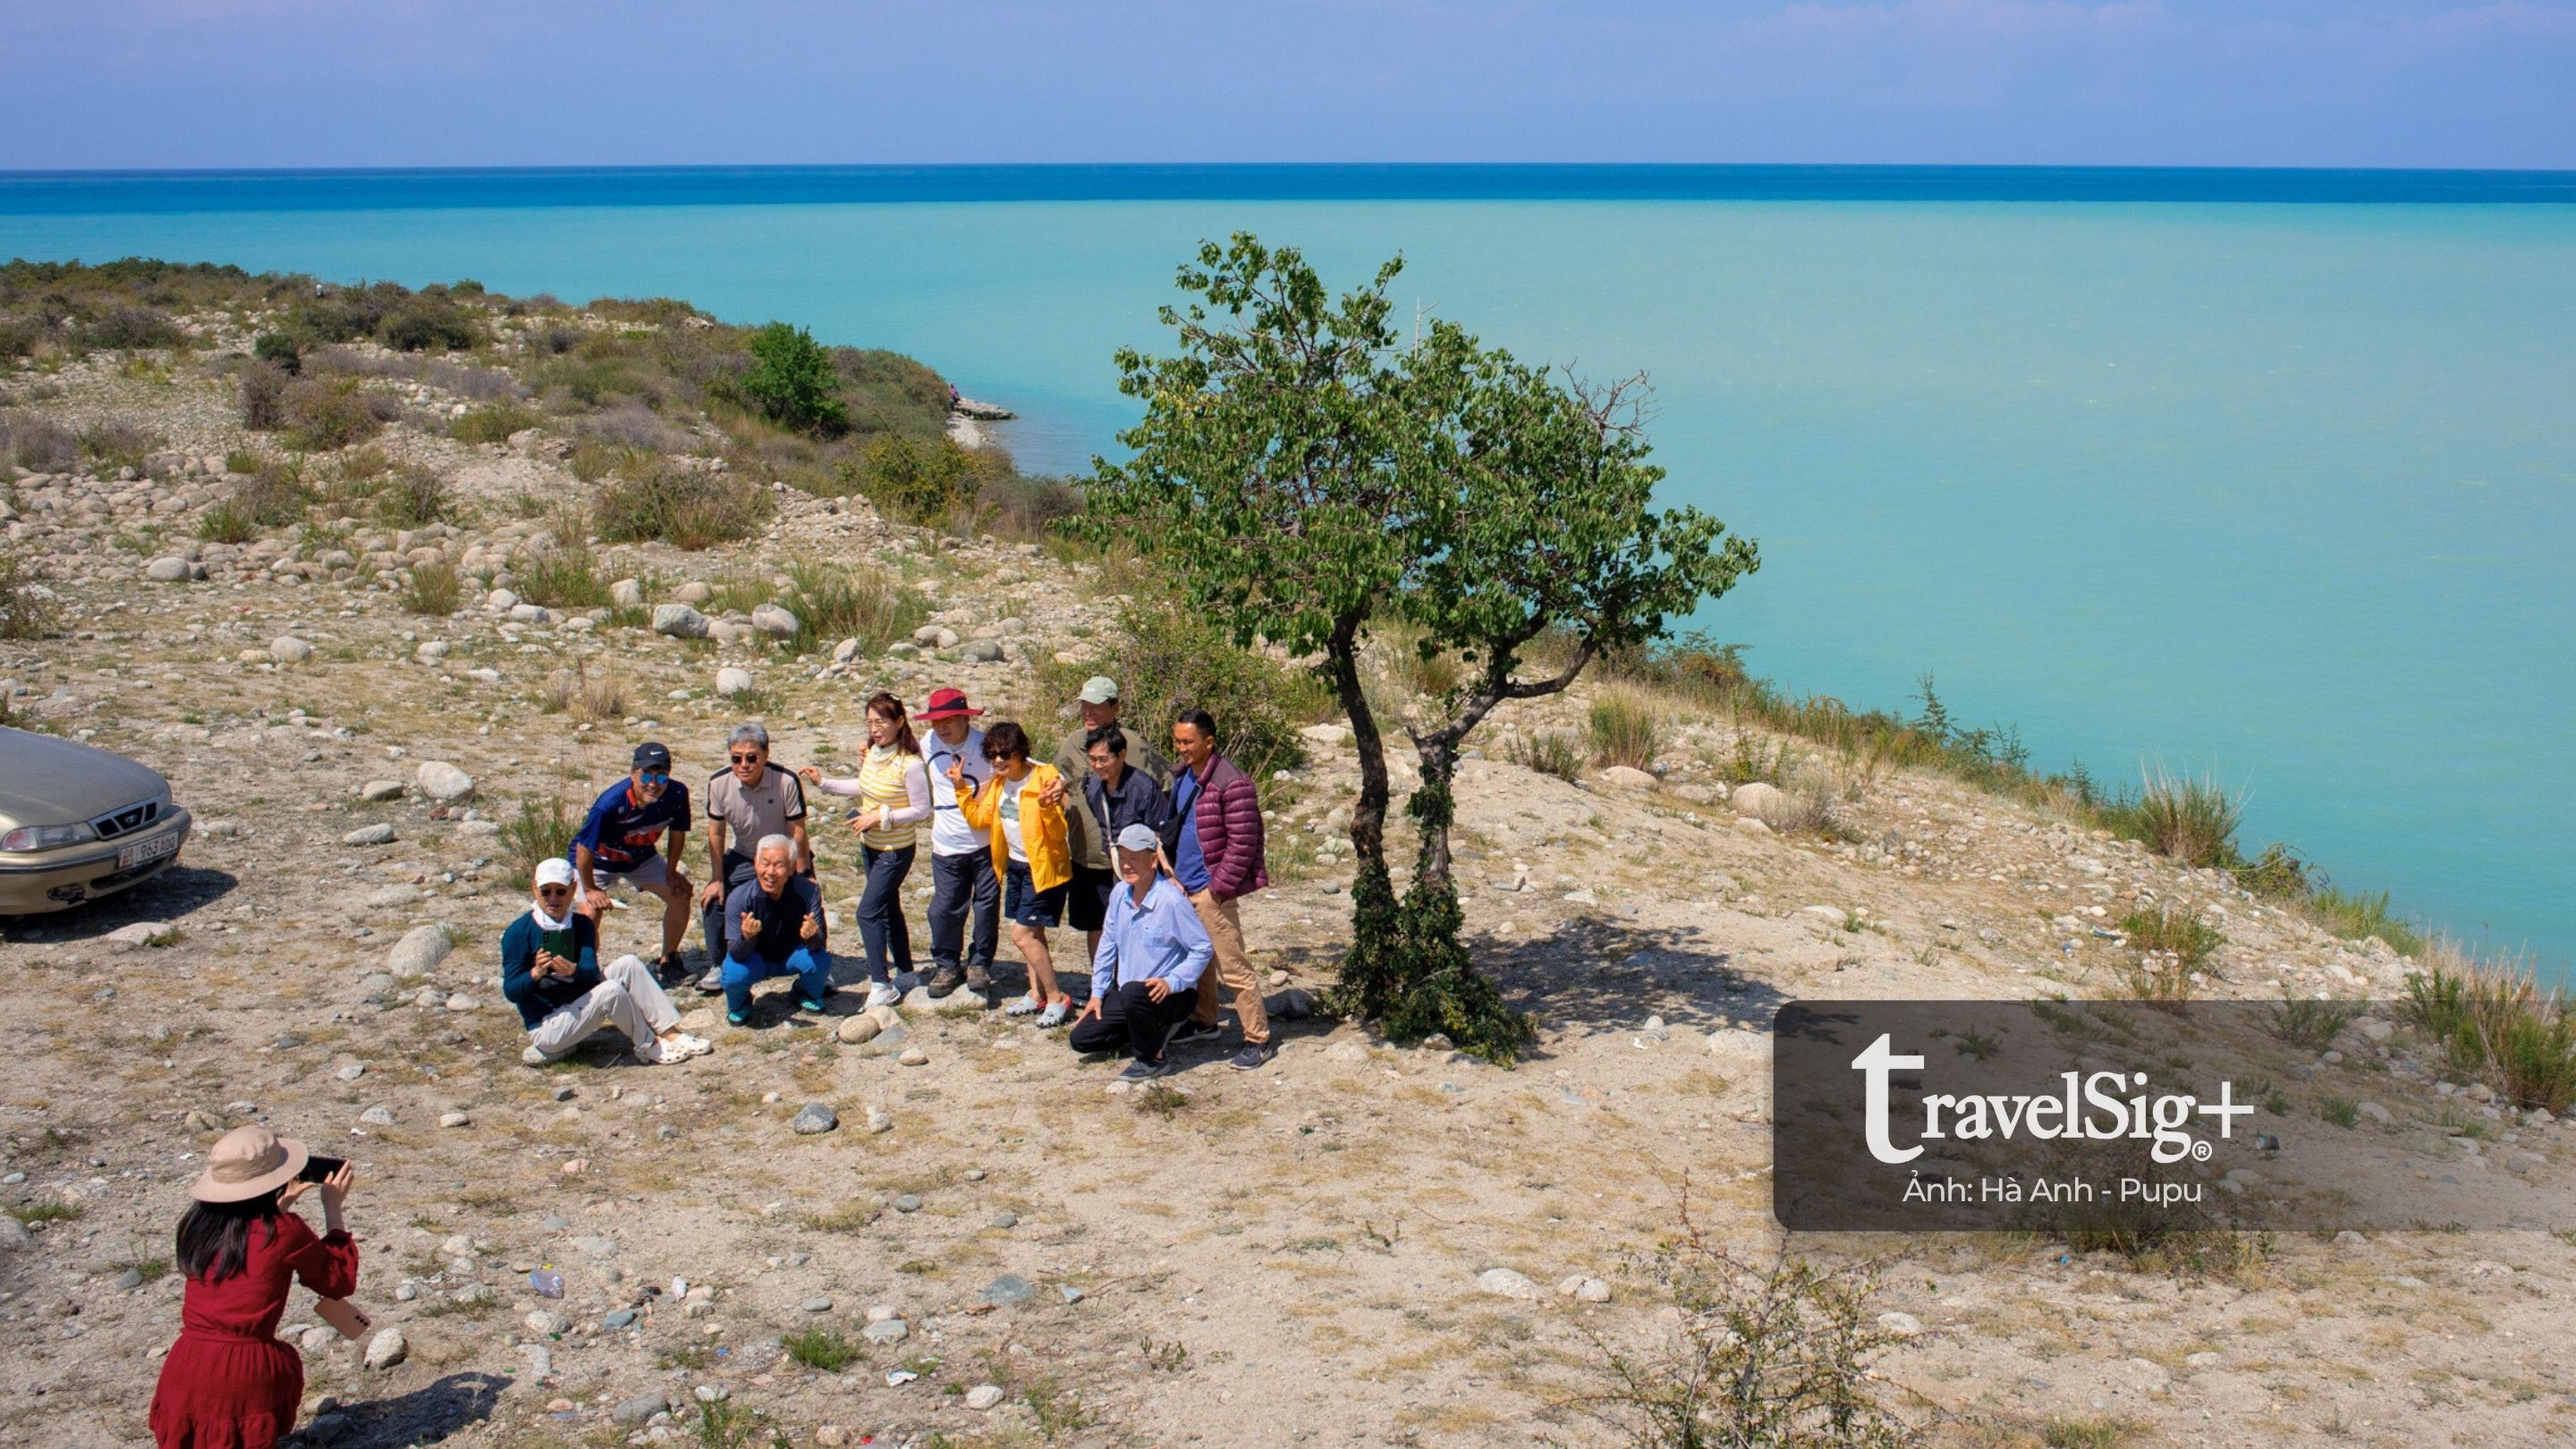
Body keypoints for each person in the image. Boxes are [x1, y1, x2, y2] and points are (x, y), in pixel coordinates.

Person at [148, 1125, 358, 1449]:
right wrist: (333, 1209)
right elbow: (338, 1280)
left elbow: (245, 1255)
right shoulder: (285, 1231)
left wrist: (279, 1209)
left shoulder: (196, 1225)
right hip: (244, 1372)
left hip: (186, 1366)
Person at [506, 859, 710, 1066]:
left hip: (577, 1005)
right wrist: (535, 973)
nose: (553, 898)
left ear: (573, 889)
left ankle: (670, 1032)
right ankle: (647, 1044)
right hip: (547, 1025)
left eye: (560, 891)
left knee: (629, 963)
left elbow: (590, 971)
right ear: (534, 889)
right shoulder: (518, 933)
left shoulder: (582, 924)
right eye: (545, 891)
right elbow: (511, 991)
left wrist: (574, 972)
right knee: (611, 990)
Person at [801, 693, 929, 1010]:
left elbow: (923, 810)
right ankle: (906, 971)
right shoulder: (874, 753)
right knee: (888, 907)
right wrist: (824, 783)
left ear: (899, 722)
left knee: (867, 912)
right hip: (870, 846)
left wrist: (881, 816)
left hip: (896, 849)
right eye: (870, 722)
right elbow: (863, 786)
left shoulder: (910, 764)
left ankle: (880, 984)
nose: (874, 729)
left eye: (881, 722)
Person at [1167, 708, 1276, 1070]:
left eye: (1188, 741)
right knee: (1198, 962)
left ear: (1209, 742)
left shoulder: (1233, 782)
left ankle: (1257, 1039)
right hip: (1184, 888)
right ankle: (1204, 1021)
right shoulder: (1183, 776)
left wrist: (1219, 889)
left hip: (1211, 891)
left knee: (1233, 966)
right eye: (1177, 740)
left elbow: (1244, 844)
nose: (1181, 748)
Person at [1069, 824, 1214, 1080]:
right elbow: (1107, 944)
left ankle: (1152, 1059)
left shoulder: (1171, 901)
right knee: (1082, 1039)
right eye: (1123, 858)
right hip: (1130, 995)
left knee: (1134, 992)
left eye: (1133, 858)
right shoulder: (1118, 894)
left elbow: (1202, 948)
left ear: (1153, 860)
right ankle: (1147, 1033)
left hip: (1169, 994)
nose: (1126, 865)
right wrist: (1098, 993)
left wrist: (1172, 981)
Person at [953, 721, 1073, 1025]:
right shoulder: (998, 784)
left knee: (1021, 935)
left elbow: (1059, 833)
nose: (997, 760)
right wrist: (960, 790)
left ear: (1020, 751)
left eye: (1005, 753)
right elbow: (981, 819)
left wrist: (1048, 806)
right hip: (1017, 867)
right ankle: (1036, 994)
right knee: (1034, 934)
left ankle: (1057, 998)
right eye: (992, 754)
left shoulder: (1044, 777)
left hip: (1042, 868)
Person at [1047, 676, 1172, 968]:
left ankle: (1135, 986)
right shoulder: (1073, 744)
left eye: (1096, 707)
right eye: (1084, 706)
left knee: (1137, 922)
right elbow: (1056, 778)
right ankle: (1102, 988)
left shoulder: (1133, 745)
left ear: (1115, 708)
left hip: (1129, 858)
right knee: (1097, 925)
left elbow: (1166, 786)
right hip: (1087, 854)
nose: (1088, 713)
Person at [697, 723, 812, 995]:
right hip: (745, 854)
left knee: (808, 897)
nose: (744, 764)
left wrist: (803, 872)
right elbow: (716, 832)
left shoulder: (785, 780)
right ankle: (718, 963)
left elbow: (798, 831)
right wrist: (717, 878)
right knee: (714, 899)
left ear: (765, 754)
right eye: (736, 758)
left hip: (782, 853)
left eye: (751, 757)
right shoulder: (718, 783)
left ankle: (814, 961)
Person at [571, 741, 696, 979]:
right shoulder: (611, 803)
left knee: (680, 892)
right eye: (646, 775)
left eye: (661, 777)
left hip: (640, 857)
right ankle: (586, 972)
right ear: (633, 773)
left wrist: (671, 872)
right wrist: (590, 888)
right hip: (599, 860)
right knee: (590, 912)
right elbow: (584, 848)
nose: (653, 784)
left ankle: (669, 959)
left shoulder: (677, 793)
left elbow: (677, 834)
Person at [911, 688, 1000, 1000]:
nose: (942, 727)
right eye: (936, 721)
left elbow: (1019, 762)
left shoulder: (987, 745)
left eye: (948, 720)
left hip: (987, 842)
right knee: (946, 908)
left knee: (986, 906)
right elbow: (894, 752)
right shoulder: (926, 744)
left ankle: (979, 963)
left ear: (964, 717)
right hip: (946, 844)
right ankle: (947, 964)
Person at [1076, 723, 1171, 983]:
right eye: (1093, 759)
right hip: (1113, 869)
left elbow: (1159, 837)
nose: (1097, 766)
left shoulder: (1144, 788)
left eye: (1103, 759)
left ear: (1122, 755)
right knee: (1113, 929)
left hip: (1145, 874)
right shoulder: (1094, 787)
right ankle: (1111, 986)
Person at [721, 834, 835, 1025]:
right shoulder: (739, 897)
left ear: (791, 868)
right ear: (755, 863)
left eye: (779, 865)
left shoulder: (808, 891)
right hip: (754, 958)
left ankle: (803, 991)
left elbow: (818, 944)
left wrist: (811, 936)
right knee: (733, 974)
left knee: (820, 961)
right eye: (765, 863)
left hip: (791, 954)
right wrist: (746, 937)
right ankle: (740, 1003)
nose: (771, 872)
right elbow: (735, 953)